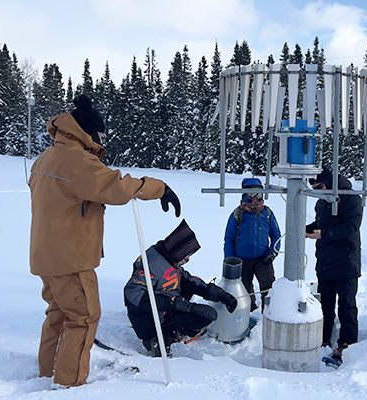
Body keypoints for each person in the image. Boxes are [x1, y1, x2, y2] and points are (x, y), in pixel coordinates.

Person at [29, 94, 181, 387]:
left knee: (59, 314)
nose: (102, 139)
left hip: (45, 256)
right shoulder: (76, 161)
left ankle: (49, 372)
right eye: (100, 134)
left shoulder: (46, 158)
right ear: (86, 131)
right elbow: (117, 188)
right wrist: (160, 188)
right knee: (84, 317)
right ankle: (69, 384)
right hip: (71, 258)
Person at [124, 219, 238, 356]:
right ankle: (156, 340)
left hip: (168, 309)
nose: (188, 259)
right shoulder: (152, 265)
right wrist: (180, 304)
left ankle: (173, 330)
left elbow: (191, 282)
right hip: (147, 319)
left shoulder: (170, 260)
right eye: (187, 255)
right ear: (179, 249)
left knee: (208, 315)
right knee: (194, 314)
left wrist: (221, 295)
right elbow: (133, 294)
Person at [305, 166, 363, 366]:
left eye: (319, 185)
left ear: (329, 182)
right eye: (314, 187)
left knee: (347, 305)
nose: (317, 190)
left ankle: (347, 345)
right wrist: (307, 229)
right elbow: (321, 223)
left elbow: (351, 227)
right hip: (325, 262)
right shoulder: (322, 202)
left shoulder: (351, 198)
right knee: (324, 305)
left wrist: (324, 234)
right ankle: (322, 340)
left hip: (346, 262)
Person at [223, 178, 281, 312]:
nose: (255, 199)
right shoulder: (237, 214)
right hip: (241, 260)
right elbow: (229, 238)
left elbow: (276, 234)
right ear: (244, 195)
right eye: (251, 194)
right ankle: (249, 314)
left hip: (263, 258)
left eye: (258, 194)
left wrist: (272, 253)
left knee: (268, 288)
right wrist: (230, 260)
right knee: (244, 291)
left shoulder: (267, 213)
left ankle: (268, 313)